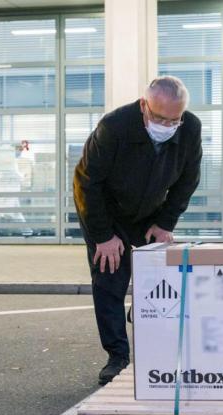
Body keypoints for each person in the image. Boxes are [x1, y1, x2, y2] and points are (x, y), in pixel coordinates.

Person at [73, 76, 202, 385]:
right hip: (106, 212)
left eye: (174, 119)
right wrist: (103, 236)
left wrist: (166, 223)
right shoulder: (114, 127)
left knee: (158, 280)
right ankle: (117, 356)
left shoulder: (190, 128)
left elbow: (188, 180)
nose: (167, 124)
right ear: (144, 105)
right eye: (159, 118)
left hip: (151, 214)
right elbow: (86, 183)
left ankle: (153, 337)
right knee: (110, 281)